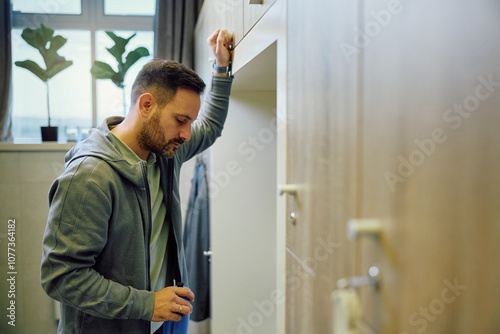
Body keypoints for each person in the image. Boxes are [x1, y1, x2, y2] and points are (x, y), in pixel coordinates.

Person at [40, 29, 233, 334]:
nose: (186, 133)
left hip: (164, 319)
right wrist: (147, 304)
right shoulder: (91, 176)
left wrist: (222, 69)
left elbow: (210, 128)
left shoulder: (167, 152)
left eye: (189, 123)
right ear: (146, 106)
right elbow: (61, 276)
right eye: (181, 120)